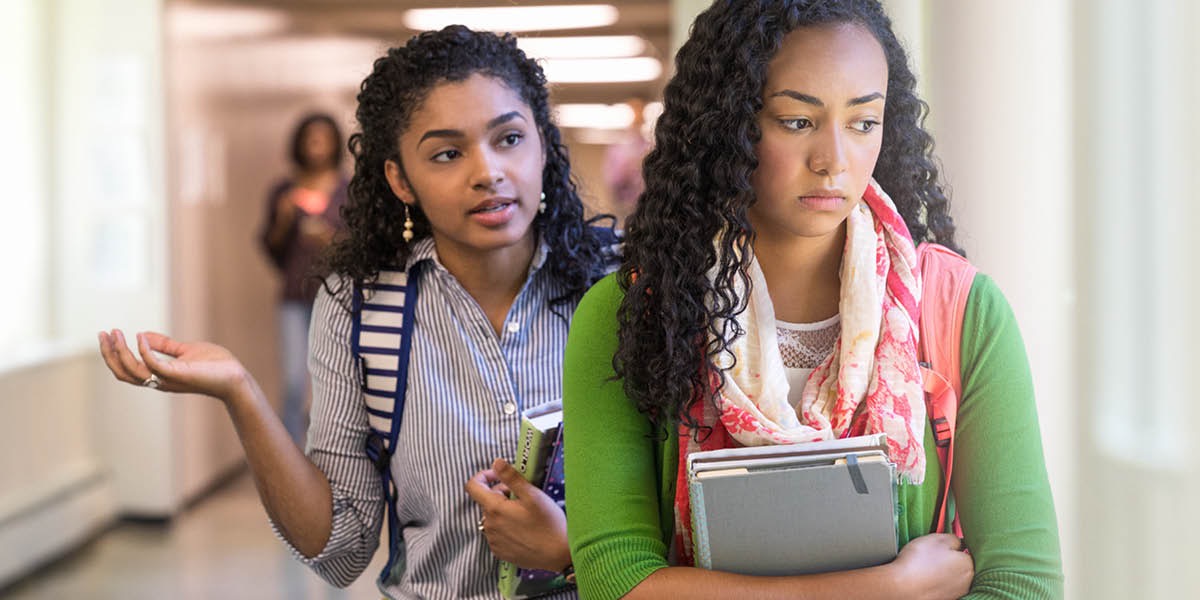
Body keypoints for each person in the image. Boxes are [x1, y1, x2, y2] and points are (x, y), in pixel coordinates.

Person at [561, 1, 1064, 599]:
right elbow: (616, 582)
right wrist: (890, 589)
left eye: (863, 122)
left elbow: (1023, 582)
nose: (833, 160)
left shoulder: (960, 311)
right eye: (797, 121)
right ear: (729, 124)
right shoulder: (633, 315)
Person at [98, 26, 613, 599]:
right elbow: (341, 549)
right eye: (447, 153)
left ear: (542, 142)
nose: (487, 171)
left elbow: (695, 521)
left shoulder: (621, 289)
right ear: (401, 180)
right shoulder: (362, 307)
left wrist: (572, 556)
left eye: (509, 139)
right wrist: (239, 391)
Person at [259, 112, 349, 448]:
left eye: (323, 137)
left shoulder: (349, 189)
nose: (316, 145)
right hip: (294, 297)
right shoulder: (283, 191)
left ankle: (331, 453)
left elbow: (361, 245)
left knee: (335, 380)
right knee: (295, 380)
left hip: (337, 297)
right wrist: (284, 220)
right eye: (310, 138)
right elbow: (270, 249)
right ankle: (290, 456)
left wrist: (330, 239)